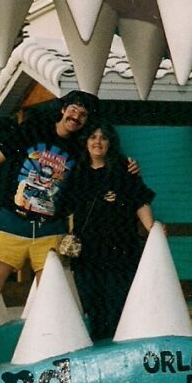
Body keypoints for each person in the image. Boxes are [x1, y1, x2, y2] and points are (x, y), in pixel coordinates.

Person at [0, 90, 100, 329]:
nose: (76, 117)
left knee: (55, 300)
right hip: (11, 223)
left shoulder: (80, 150)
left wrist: (130, 167)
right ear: (63, 109)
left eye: (83, 115)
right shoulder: (32, 131)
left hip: (49, 232)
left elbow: (99, 171)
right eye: (73, 110)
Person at [68, 121, 156, 341]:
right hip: (88, 252)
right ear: (85, 141)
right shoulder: (75, 171)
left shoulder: (125, 169)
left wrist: (152, 228)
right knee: (92, 305)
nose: (98, 142)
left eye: (103, 137)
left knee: (118, 303)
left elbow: (140, 201)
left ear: (110, 143)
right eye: (93, 137)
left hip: (120, 250)